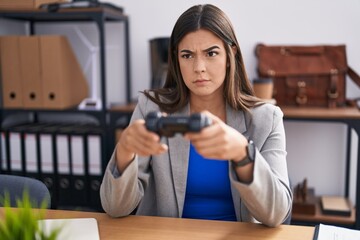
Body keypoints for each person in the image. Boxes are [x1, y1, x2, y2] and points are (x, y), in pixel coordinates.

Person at [100, 4, 292, 227]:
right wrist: (124, 151)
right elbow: (114, 208)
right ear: (176, 59)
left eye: (211, 53)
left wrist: (243, 153)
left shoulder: (266, 119)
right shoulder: (150, 108)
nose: (199, 67)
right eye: (187, 55)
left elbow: (277, 214)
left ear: (231, 55)